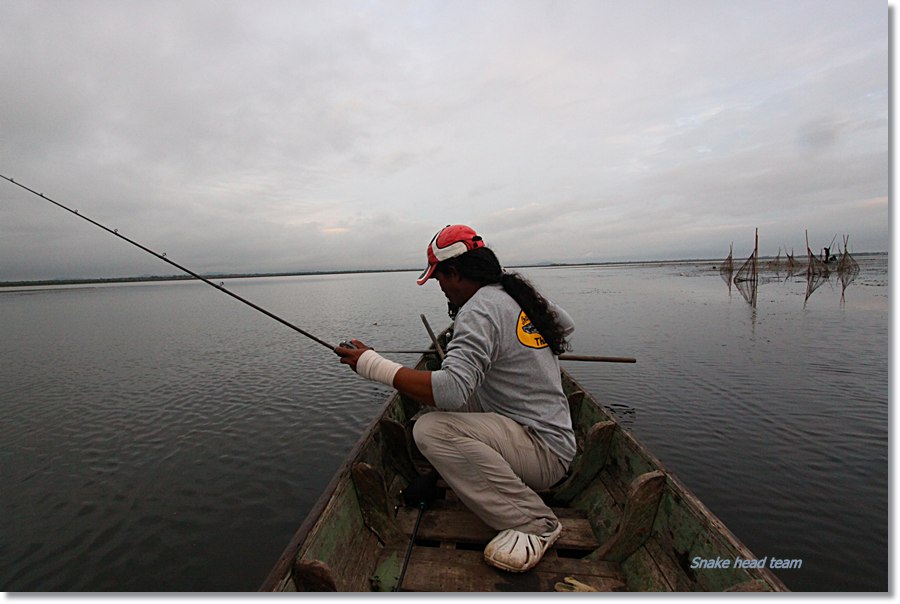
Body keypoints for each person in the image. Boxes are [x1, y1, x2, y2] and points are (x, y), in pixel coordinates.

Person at [334, 224, 576, 573]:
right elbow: (565, 326)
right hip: (549, 434)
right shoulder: (513, 295)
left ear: (456, 273)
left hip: (544, 452)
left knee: (431, 430)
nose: (441, 288)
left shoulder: (479, 309)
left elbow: (450, 390)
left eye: (440, 279)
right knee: (433, 405)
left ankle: (535, 523)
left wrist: (373, 365)